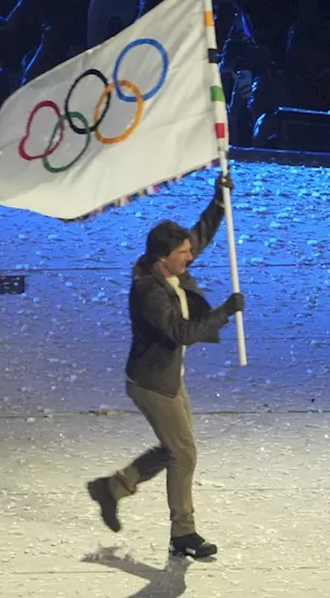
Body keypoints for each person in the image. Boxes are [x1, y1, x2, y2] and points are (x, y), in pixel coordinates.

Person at [87, 174, 245, 559]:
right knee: (184, 453)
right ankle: (182, 535)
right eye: (183, 253)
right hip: (152, 383)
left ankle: (113, 488)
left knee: (176, 448)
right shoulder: (148, 291)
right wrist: (223, 312)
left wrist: (219, 202)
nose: (191, 256)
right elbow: (180, 331)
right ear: (164, 257)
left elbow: (200, 235)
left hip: (169, 377)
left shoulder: (169, 269)